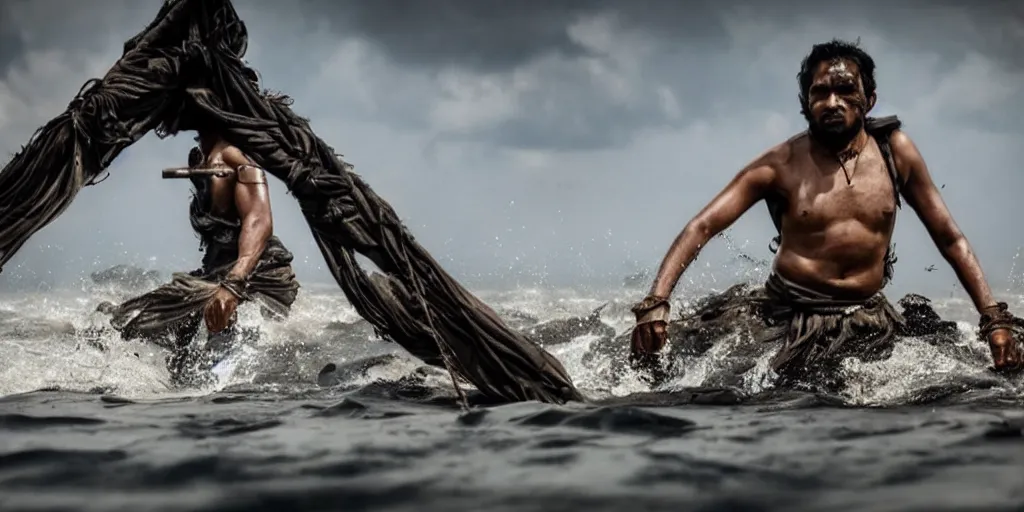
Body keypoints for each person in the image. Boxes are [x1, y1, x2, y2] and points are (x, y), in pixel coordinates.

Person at [629, 39, 1022, 388]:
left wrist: (994, 321)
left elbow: (950, 239)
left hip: (868, 318)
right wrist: (655, 304)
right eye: (820, 93)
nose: (832, 102)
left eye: (845, 90)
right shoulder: (780, 164)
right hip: (787, 317)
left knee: (970, 385)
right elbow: (703, 224)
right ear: (806, 104)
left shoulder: (895, 152)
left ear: (868, 99)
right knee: (714, 389)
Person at [98, 129, 300, 385]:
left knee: (211, 363)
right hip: (216, 273)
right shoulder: (206, 156)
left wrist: (233, 285)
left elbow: (259, 220)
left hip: (255, 274)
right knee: (131, 325)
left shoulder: (233, 156)